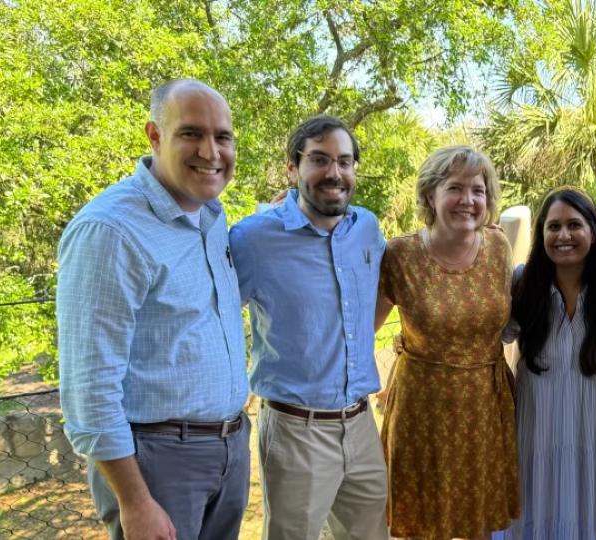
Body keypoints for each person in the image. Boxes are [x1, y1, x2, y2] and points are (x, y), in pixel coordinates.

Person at [57, 79, 249, 540]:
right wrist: (135, 501)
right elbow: (90, 386)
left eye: (222, 136)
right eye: (191, 134)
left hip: (230, 448)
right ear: (154, 135)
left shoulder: (209, 216)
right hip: (158, 461)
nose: (211, 151)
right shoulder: (111, 230)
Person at [228, 115, 388, 540]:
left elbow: (398, 279)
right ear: (292, 167)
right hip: (296, 429)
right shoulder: (253, 238)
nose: (334, 172)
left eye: (344, 161)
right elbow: (215, 318)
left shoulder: (367, 229)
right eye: (319, 160)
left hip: (360, 422)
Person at [375, 145, 518, 539]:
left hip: (484, 406)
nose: (468, 200)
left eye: (478, 190)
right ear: (429, 195)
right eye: (455, 188)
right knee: (419, 524)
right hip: (422, 406)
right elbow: (361, 328)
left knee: (476, 522)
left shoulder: (499, 248)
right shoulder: (400, 254)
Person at [499, 187, 596, 540]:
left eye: (574, 225)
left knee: (587, 501)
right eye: (553, 227)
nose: (564, 235)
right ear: (541, 235)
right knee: (534, 501)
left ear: (594, 230)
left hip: (591, 420)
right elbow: (494, 336)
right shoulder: (523, 283)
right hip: (535, 420)